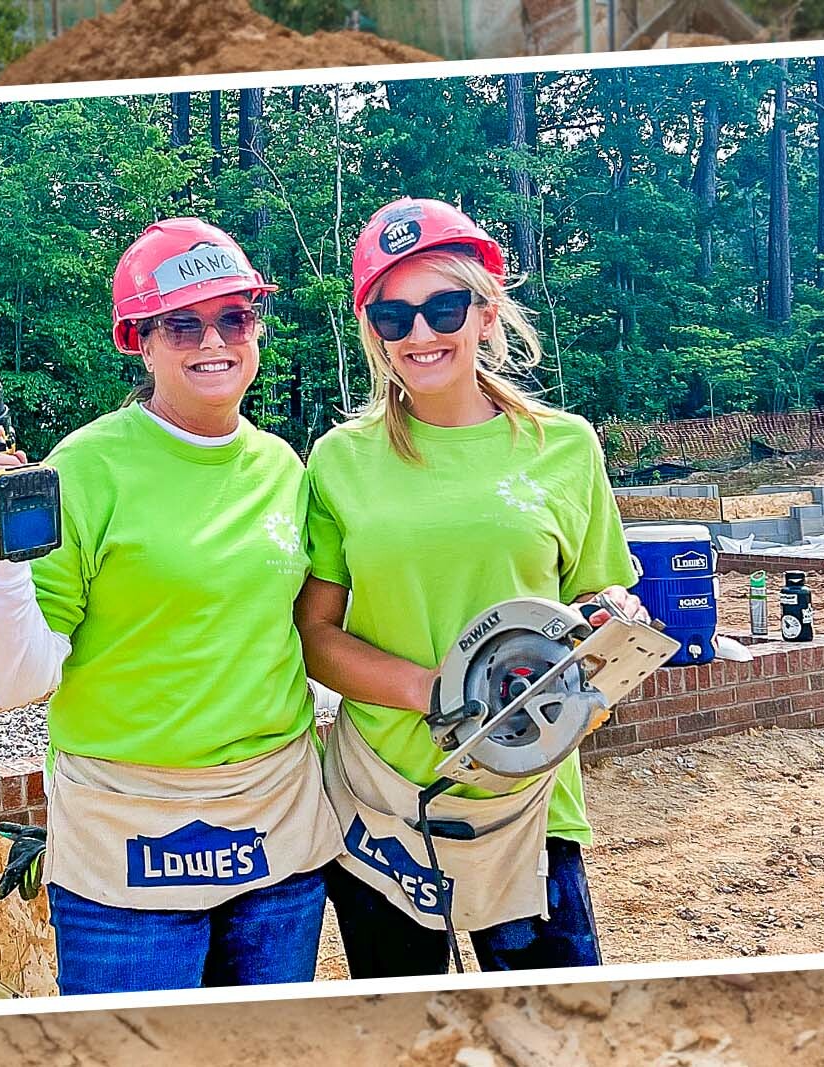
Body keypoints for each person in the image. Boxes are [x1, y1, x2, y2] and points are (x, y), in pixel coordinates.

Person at [0, 218, 342, 995]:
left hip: (277, 833)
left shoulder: (281, 466)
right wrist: (0, 556)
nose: (214, 340)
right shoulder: (88, 467)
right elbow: (15, 680)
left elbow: (298, 630)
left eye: (234, 317)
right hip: (127, 850)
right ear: (140, 340)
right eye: (184, 323)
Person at [295, 197, 645, 977]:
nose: (420, 333)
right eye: (393, 316)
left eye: (443, 306)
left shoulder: (564, 446)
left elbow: (599, 596)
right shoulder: (339, 461)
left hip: (528, 792)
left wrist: (613, 615)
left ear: (486, 313)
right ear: (373, 331)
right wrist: (438, 691)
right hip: (382, 802)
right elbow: (316, 635)